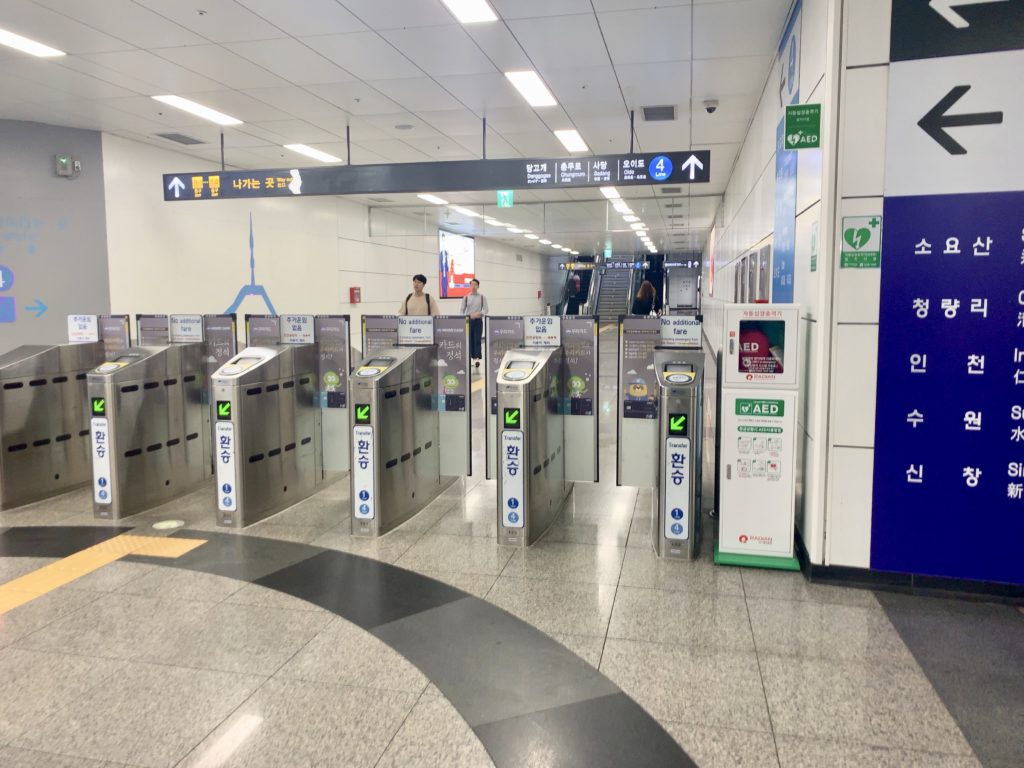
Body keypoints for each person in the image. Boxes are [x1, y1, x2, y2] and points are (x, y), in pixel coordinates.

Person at [460, 278, 488, 369]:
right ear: (469, 286)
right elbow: (462, 310)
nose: (473, 286)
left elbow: (486, 310)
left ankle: (476, 359)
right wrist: (466, 317)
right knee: (469, 340)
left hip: (478, 321)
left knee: (477, 339)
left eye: (475, 284)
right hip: (468, 321)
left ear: (478, 286)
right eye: (471, 284)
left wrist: (479, 314)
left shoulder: (482, 297)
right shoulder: (466, 297)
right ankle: (469, 358)